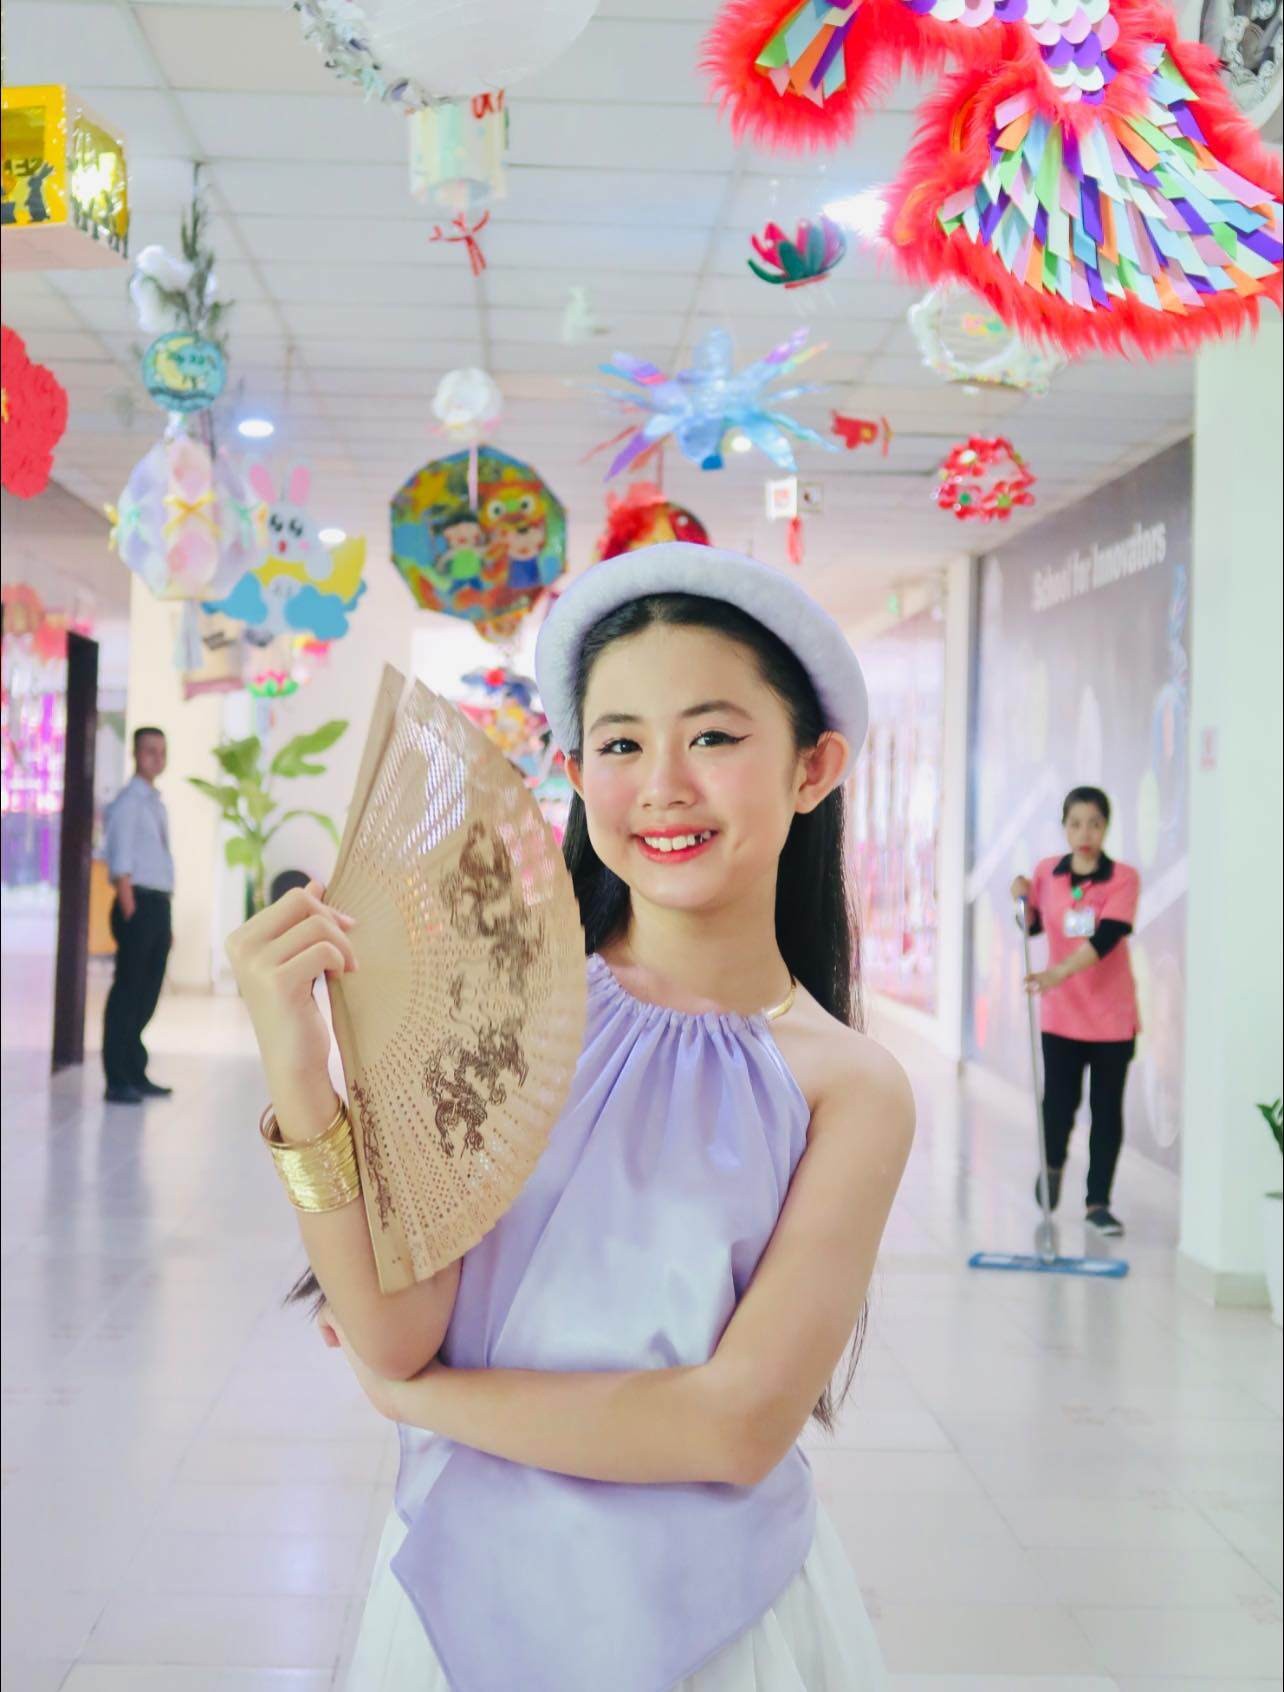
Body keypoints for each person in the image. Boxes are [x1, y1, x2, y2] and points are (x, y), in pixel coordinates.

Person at [225, 543, 915, 1691]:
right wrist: (299, 1065)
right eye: (622, 744)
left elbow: (735, 1427)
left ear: (814, 767)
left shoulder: (850, 1088)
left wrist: (423, 1402)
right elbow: (395, 1331)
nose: (663, 786)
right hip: (462, 1597)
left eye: (714, 737)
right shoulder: (491, 1005)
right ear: (575, 771)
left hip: (719, 1622)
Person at [1011, 785, 1141, 1238]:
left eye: (1095, 824)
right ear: (1064, 827)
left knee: (1105, 1112)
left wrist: (1057, 973)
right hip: (1061, 1016)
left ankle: (1098, 1203)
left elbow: (1105, 939)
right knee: (1059, 1106)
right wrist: (1021, 898)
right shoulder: (1047, 872)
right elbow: (1031, 927)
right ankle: (1051, 1169)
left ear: (1106, 828)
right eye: (1076, 824)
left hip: (1111, 1019)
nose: (1085, 833)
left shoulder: (1123, 878)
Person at [101, 726, 175, 1104]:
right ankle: (117, 1079)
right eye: (149, 751)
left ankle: (135, 1071)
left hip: (157, 904)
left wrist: (164, 919)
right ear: (135, 754)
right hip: (138, 904)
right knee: (128, 992)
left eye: (162, 751)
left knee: (147, 993)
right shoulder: (129, 802)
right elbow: (121, 859)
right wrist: (131, 909)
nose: (157, 758)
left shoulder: (155, 802)